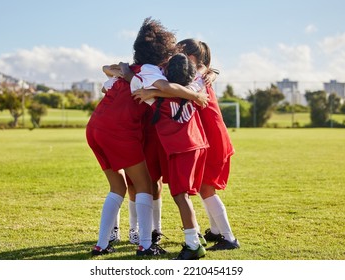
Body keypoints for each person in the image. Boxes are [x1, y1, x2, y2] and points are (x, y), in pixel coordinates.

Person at [133, 39, 240, 251]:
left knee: (205, 189)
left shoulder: (197, 76)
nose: (172, 57)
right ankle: (217, 232)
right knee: (202, 188)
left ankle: (227, 237)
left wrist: (153, 91)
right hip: (202, 138)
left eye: (178, 53)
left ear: (192, 58)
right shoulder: (198, 76)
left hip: (209, 138)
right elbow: (181, 88)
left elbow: (178, 91)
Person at [86, 17, 177, 257]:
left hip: (95, 127)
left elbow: (107, 78)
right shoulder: (150, 71)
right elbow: (162, 88)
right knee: (145, 184)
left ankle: (102, 244)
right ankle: (146, 245)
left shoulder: (132, 70)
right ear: (163, 54)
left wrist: (125, 73)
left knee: (118, 186)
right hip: (119, 131)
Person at [121, 53, 209, 260]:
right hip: (196, 145)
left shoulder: (154, 97)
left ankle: (193, 245)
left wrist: (127, 71)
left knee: (180, 197)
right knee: (183, 195)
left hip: (180, 149)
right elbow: (197, 82)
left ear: (167, 73)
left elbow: (132, 82)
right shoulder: (194, 88)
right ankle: (195, 235)